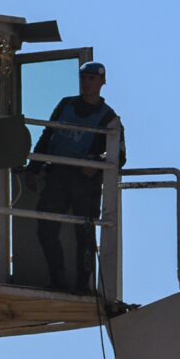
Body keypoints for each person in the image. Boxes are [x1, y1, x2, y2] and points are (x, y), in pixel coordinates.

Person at [29, 61, 122, 294]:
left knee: (85, 234)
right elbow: (47, 135)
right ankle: (57, 279)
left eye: (91, 79)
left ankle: (83, 285)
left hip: (84, 183)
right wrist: (33, 168)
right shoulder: (65, 105)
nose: (86, 83)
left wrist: (97, 163)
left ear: (102, 82)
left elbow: (119, 156)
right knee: (46, 228)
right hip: (57, 176)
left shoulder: (109, 118)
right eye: (83, 78)